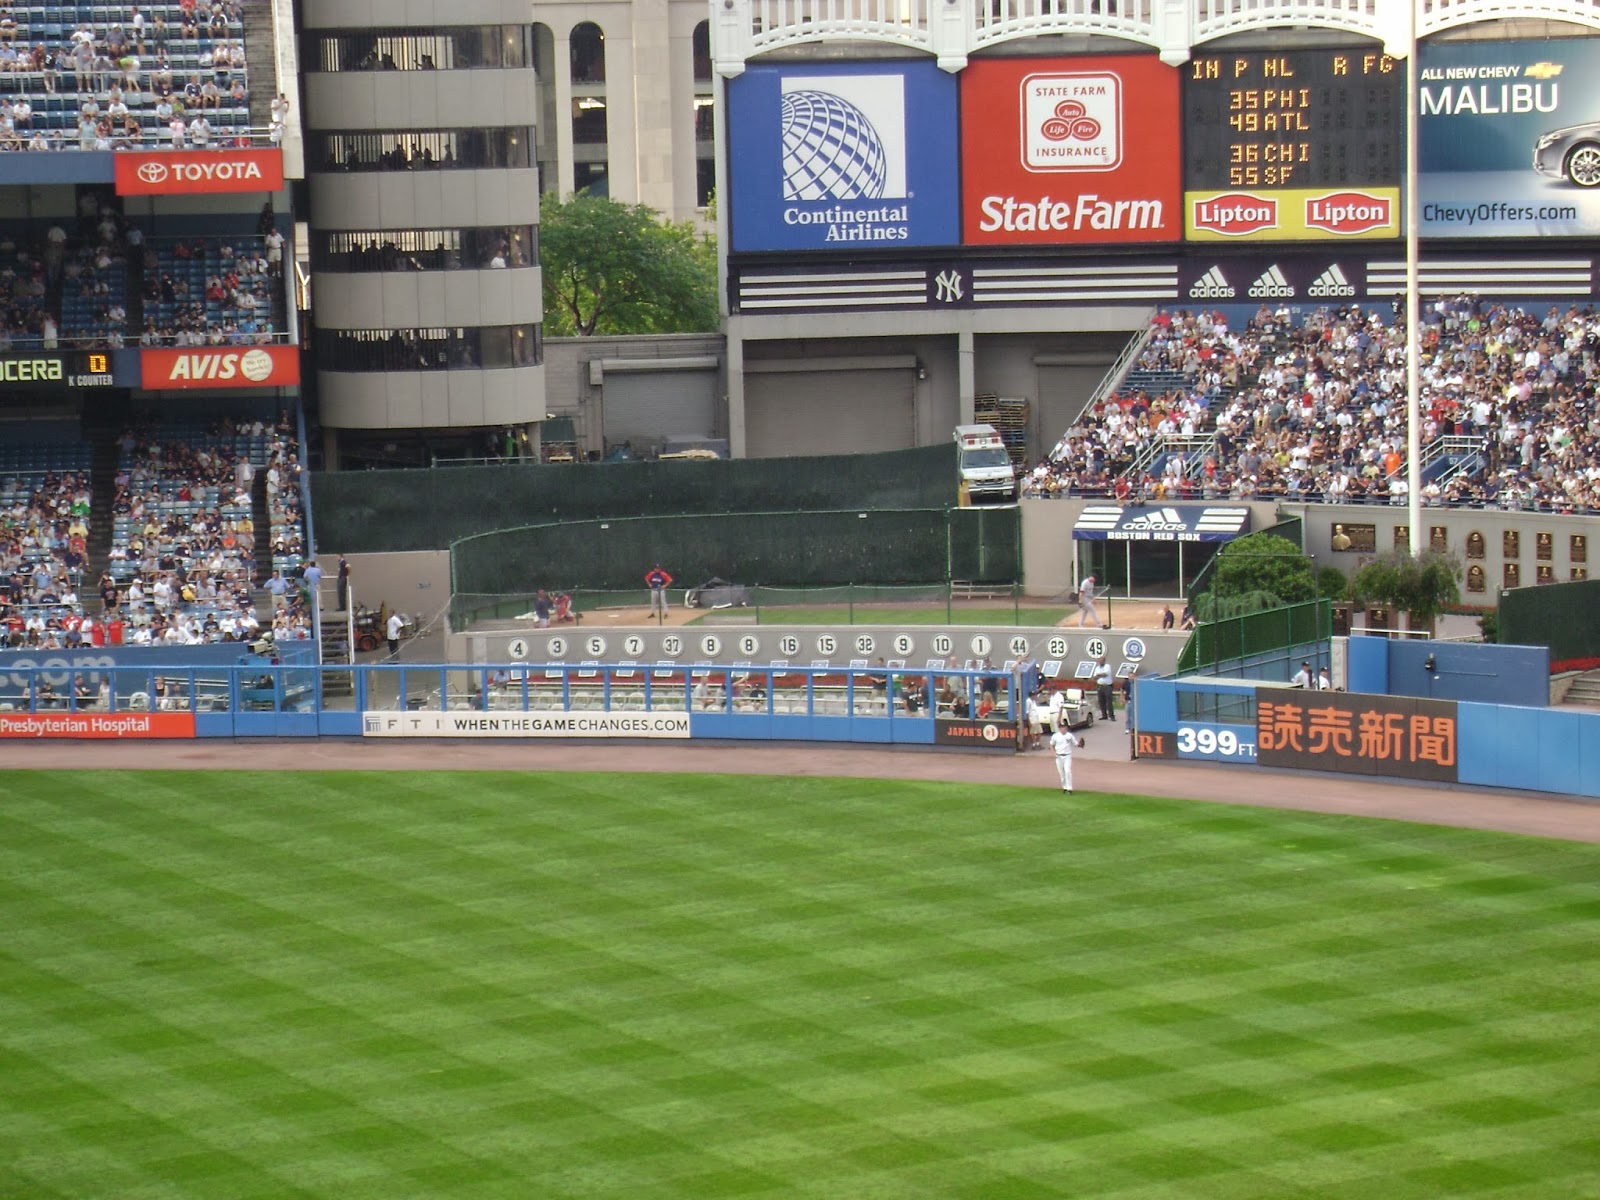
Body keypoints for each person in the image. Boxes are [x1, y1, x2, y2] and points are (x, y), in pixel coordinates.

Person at [1050, 720, 1085, 794]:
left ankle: (1069, 788)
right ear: (1059, 728)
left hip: (1067, 756)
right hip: (1058, 756)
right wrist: (1054, 753)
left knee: (1067, 771)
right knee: (1062, 773)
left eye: (1064, 727)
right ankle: (1064, 787)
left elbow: (1076, 744)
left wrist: (1080, 744)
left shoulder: (1069, 735)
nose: (1063, 728)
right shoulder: (1055, 736)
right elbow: (1051, 745)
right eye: (1061, 727)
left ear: (1066, 727)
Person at [1094, 655, 1115, 721]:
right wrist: (1099, 675)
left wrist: (1098, 675)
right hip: (1100, 686)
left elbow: (1105, 674)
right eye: (1099, 661)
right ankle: (1104, 715)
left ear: (1104, 661)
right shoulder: (1097, 668)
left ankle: (1111, 716)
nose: (1100, 662)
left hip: (1107, 686)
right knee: (1101, 701)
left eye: (1102, 660)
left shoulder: (1107, 666)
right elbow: (1094, 677)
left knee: (1109, 701)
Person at [1120, 666, 1137, 733]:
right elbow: (1122, 690)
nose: (1131, 678)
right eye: (1130, 676)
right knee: (1128, 715)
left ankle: (1134, 727)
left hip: (1134, 701)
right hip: (1128, 701)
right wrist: (1122, 698)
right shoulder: (1126, 683)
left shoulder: (1136, 683)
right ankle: (1127, 728)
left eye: (1132, 676)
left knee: (1134, 715)